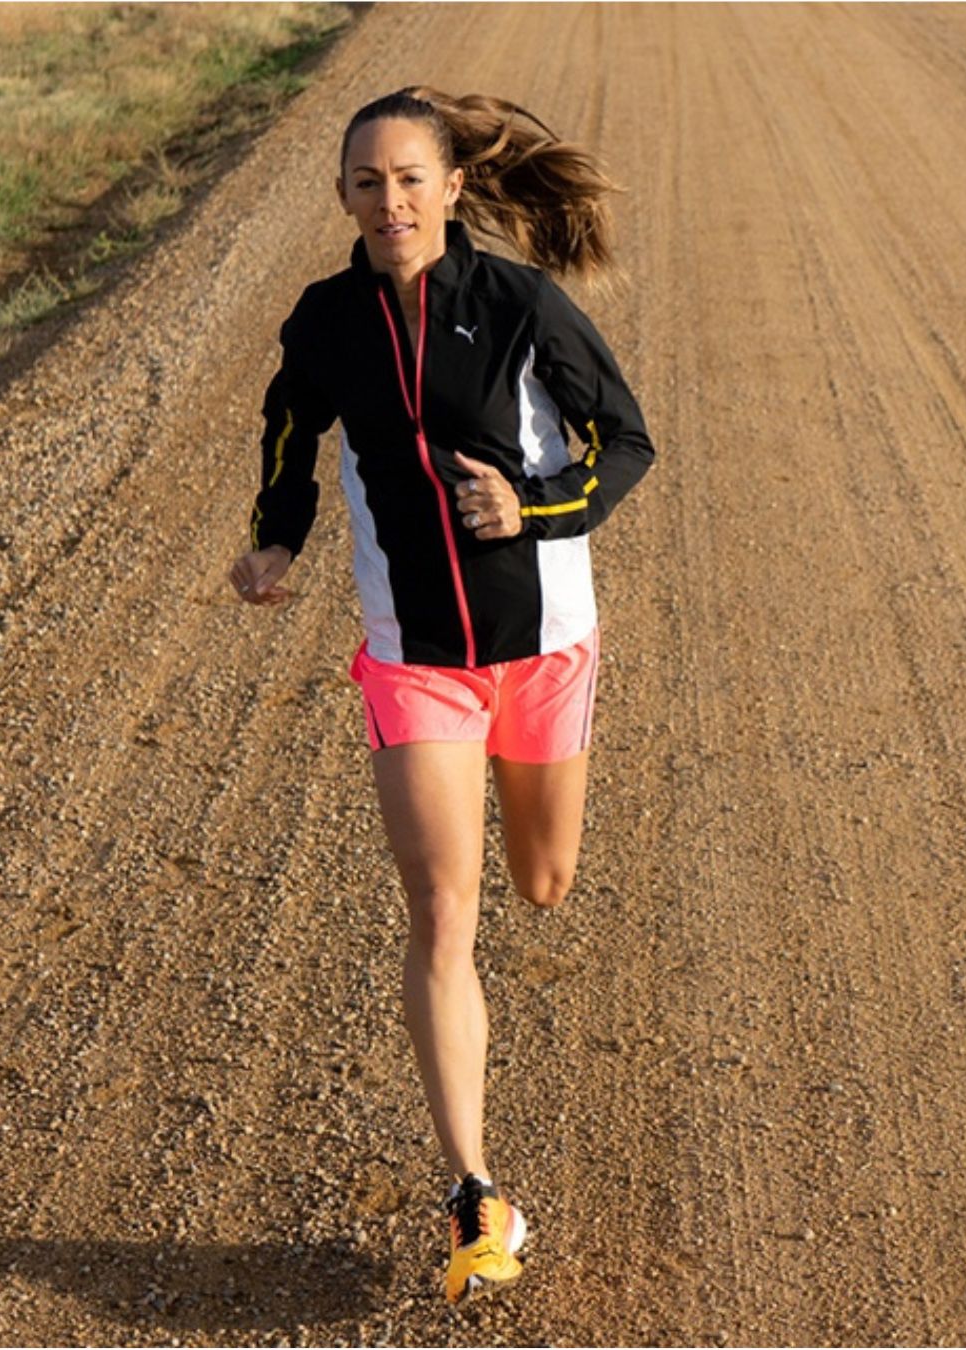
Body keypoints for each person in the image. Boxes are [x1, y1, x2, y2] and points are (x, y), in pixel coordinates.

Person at [226, 87, 656, 1305]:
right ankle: (475, 1191)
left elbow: (623, 441)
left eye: (410, 178)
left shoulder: (516, 303)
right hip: (413, 654)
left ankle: (478, 1174)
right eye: (367, 182)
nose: (390, 201)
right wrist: (276, 537)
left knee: (543, 881)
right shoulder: (328, 320)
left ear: (452, 187)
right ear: (343, 197)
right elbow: (290, 430)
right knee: (439, 906)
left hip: (541, 642)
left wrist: (536, 507)